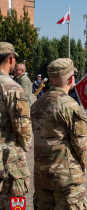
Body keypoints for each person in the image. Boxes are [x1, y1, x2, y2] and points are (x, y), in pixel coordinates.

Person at [31, 58, 87, 209]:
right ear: (71, 79)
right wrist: (81, 168)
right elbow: (80, 146)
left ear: (50, 80)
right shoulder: (70, 105)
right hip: (67, 180)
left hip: (41, 177)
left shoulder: (37, 105)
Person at [0, 42, 31, 208]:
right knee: (14, 202)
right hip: (9, 161)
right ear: (11, 59)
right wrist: (25, 145)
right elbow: (22, 126)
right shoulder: (12, 87)